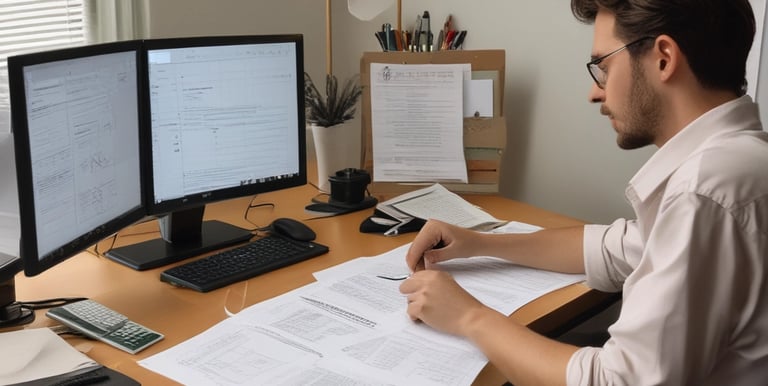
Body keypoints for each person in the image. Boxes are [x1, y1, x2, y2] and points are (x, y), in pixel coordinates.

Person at [398, 0, 768, 385]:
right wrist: (479, 242)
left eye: (604, 67)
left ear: (663, 58)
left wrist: (468, 317)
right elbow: (613, 247)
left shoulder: (705, 190)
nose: (595, 92)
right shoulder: (740, 161)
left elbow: (617, 381)